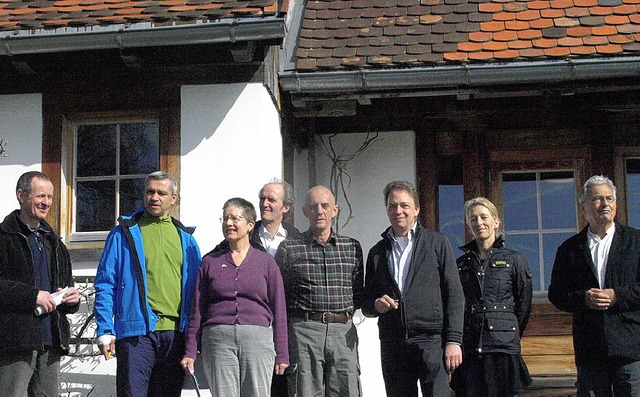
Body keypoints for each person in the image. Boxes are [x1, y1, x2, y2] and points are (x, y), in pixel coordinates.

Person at [94, 171, 202, 397]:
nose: (154, 197)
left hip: (174, 335)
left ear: (173, 198)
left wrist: (195, 336)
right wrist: (105, 329)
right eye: (150, 191)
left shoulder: (187, 239)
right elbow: (105, 283)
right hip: (136, 335)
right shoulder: (122, 234)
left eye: (161, 193)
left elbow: (198, 292)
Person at [361, 180, 464, 397]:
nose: (398, 211)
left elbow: (454, 294)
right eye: (392, 206)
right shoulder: (377, 252)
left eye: (404, 205)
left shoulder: (437, 243)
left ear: (416, 209)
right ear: (387, 210)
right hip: (393, 342)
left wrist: (454, 340)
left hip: (431, 341)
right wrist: (376, 305)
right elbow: (366, 302)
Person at [180, 197, 288, 396]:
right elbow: (197, 310)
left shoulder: (266, 263)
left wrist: (282, 353)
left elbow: (279, 310)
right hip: (218, 341)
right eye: (225, 219)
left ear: (249, 225)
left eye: (234, 218)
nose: (228, 223)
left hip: (257, 340)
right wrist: (190, 351)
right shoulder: (209, 262)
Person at [549, 175, 640, 397]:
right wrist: (583, 298)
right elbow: (556, 293)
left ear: (616, 204)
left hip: (629, 346)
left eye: (609, 198)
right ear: (584, 208)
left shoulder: (636, 242)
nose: (605, 204)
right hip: (590, 348)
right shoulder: (569, 249)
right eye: (597, 199)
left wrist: (617, 296)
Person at [275, 185, 364, 397]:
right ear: (305, 211)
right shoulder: (289, 248)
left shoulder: (352, 247)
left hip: (343, 332)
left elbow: (357, 293)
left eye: (325, 206)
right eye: (313, 206)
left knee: (347, 391)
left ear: (335, 210)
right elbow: (281, 298)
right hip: (305, 331)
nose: (319, 211)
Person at [0, 171, 80, 397]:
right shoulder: (4, 237)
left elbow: (65, 287)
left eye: (50, 197)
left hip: (50, 338)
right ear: (21, 195)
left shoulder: (54, 242)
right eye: (40, 196)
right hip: (14, 340)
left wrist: (71, 299)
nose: (46, 202)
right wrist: (31, 296)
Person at [452, 197, 533, 397]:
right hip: (470, 346)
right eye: (473, 219)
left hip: (502, 349)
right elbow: (455, 303)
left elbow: (523, 304)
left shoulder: (515, 260)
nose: (479, 223)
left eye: (483, 217)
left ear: (496, 222)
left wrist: (506, 330)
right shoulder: (461, 264)